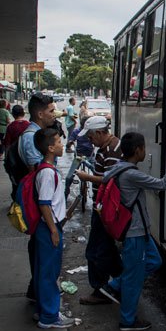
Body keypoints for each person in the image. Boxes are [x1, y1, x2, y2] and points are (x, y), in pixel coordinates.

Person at [100, 132, 166, 331]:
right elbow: (164, 184)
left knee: (155, 261)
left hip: (141, 231)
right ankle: (127, 321)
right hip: (134, 234)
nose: (146, 151)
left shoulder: (119, 168)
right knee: (133, 279)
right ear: (138, 151)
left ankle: (114, 286)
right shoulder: (131, 174)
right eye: (144, 148)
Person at [75, 116, 123, 305]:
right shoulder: (107, 147)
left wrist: (87, 177)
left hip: (105, 209)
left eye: (90, 136)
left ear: (100, 133)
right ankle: (119, 280)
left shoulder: (112, 150)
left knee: (95, 251)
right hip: (101, 207)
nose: (89, 140)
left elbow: (110, 180)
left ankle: (101, 290)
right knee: (106, 249)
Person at [32, 127, 74, 328]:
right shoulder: (47, 173)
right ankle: (49, 317)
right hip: (49, 227)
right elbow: (44, 203)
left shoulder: (45, 168)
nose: (61, 144)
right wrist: (54, 230)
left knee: (44, 271)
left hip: (47, 227)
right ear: (50, 148)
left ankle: (43, 310)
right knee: (49, 273)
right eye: (58, 142)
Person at [19, 93, 57, 302]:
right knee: (42, 254)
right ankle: (42, 300)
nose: (54, 114)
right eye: (51, 111)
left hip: (41, 207)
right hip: (39, 208)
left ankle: (37, 292)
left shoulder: (38, 134)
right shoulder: (31, 138)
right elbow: (38, 176)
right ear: (40, 113)